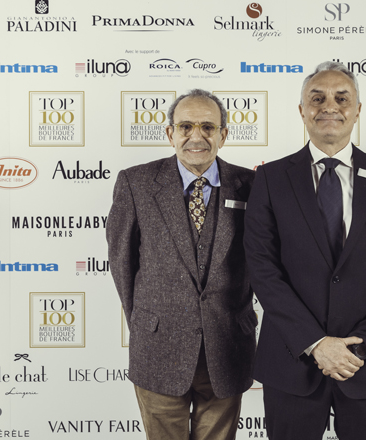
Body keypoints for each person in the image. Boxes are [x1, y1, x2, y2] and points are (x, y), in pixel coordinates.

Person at [244, 61, 366, 440]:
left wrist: (363, 346)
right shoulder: (270, 178)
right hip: (291, 360)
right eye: (317, 98)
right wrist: (315, 343)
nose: (330, 106)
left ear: (357, 110)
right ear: (302, 110)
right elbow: (262, 268)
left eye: (342, 98)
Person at [107, 89, 257, 440]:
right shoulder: (135, 183)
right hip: (158, 348)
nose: (196, 136)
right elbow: (122, 263)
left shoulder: (251, 185)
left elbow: (262, 260)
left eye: (208, 127)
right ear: (170, 133)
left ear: (223, 134)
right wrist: (148, 323)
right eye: (186, 126)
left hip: (228, 347)